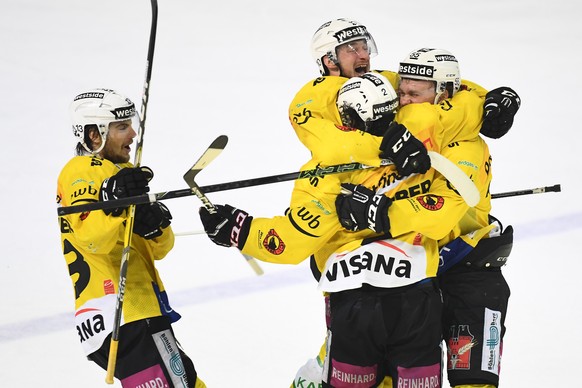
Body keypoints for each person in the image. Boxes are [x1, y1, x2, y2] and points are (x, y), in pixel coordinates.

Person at [334, 48, 519, 388]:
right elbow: (369, 85)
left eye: (414, 95)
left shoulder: (466, 146)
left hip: (470, 274)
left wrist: (379, 213)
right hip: (419, 274)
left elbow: (440, 213)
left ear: (444, 93)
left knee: (473, 382)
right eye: (401, 92)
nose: (403, 102)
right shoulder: (414, 122)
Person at [56, 89, 205, 388]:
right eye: (121, 126)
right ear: (94, 135)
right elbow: (91, 239)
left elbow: (160, 249)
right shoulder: (82, 170)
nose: (133, 133)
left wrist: (154, 225)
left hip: (133, 312)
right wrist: (114, 202)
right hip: (122, 312)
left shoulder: (122, 173)